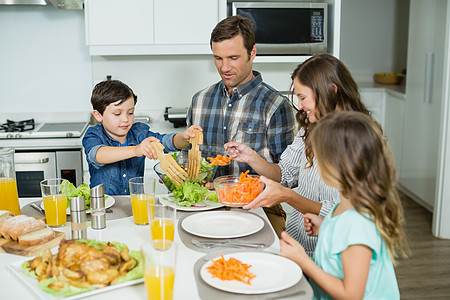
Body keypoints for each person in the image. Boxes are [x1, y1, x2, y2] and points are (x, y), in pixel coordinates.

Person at [226, 53, 372, 255]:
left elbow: (345, 212)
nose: (300, 106)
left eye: (303, 98)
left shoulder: (362, 141)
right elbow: (284, 173)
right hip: (298, 244)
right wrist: (251, 157)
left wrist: (288, 196)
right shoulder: (310, 129)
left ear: (331, 91)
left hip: (335, 252)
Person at [186, 15, 296, 237]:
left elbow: (287, 177)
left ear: (252, 53)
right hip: (205, 208)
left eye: (233, 58)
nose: (224, 67)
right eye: (218, 58)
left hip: (259, 210)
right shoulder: (199, 101)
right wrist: (181, 174)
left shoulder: (276, 105)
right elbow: (191, 161)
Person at [280, 111, 409, 299]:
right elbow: (343, 237)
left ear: (337, 165)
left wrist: (303, 261)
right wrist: (325, 227)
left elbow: (351, 295)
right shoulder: (347, 203)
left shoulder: (359, 224)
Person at [83, 80, 201, 196]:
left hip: (135, 206)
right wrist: (136, 150)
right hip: (104, 208)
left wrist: (184, 137)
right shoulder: (94, 135)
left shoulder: (139, 132)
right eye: (117, 114)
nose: (125, 119)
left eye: (130, 113)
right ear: (98, 115)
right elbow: (98, 155)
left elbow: (167, 142)